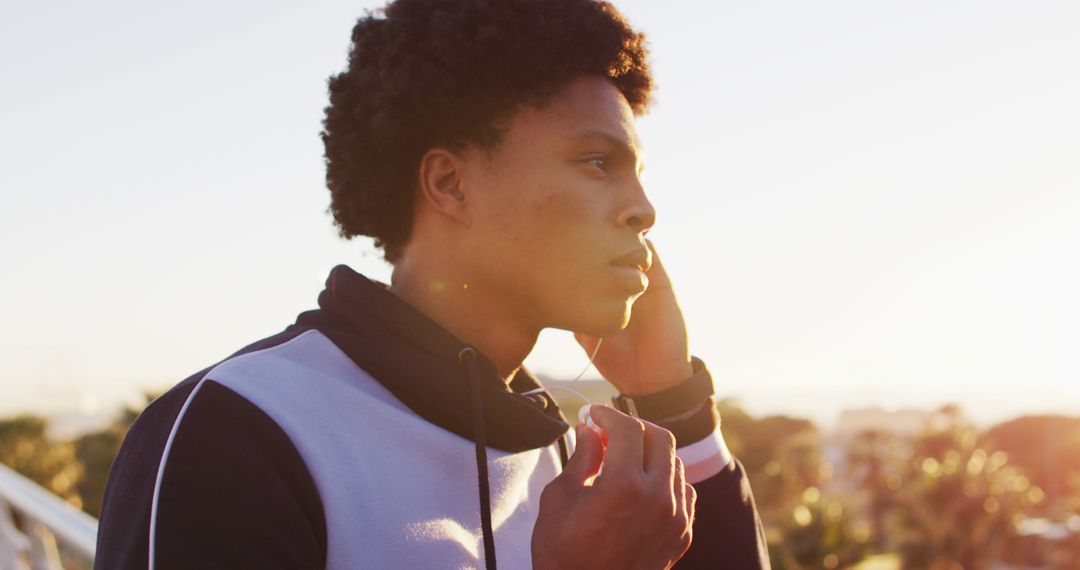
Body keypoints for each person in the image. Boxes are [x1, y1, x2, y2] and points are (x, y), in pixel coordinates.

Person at [94, 0, 770, 567]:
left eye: (639, 172)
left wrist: (672, 402)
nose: (644, 210)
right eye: (598, 161)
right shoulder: (240, 434)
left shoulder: (570, 458)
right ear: (451, 183)